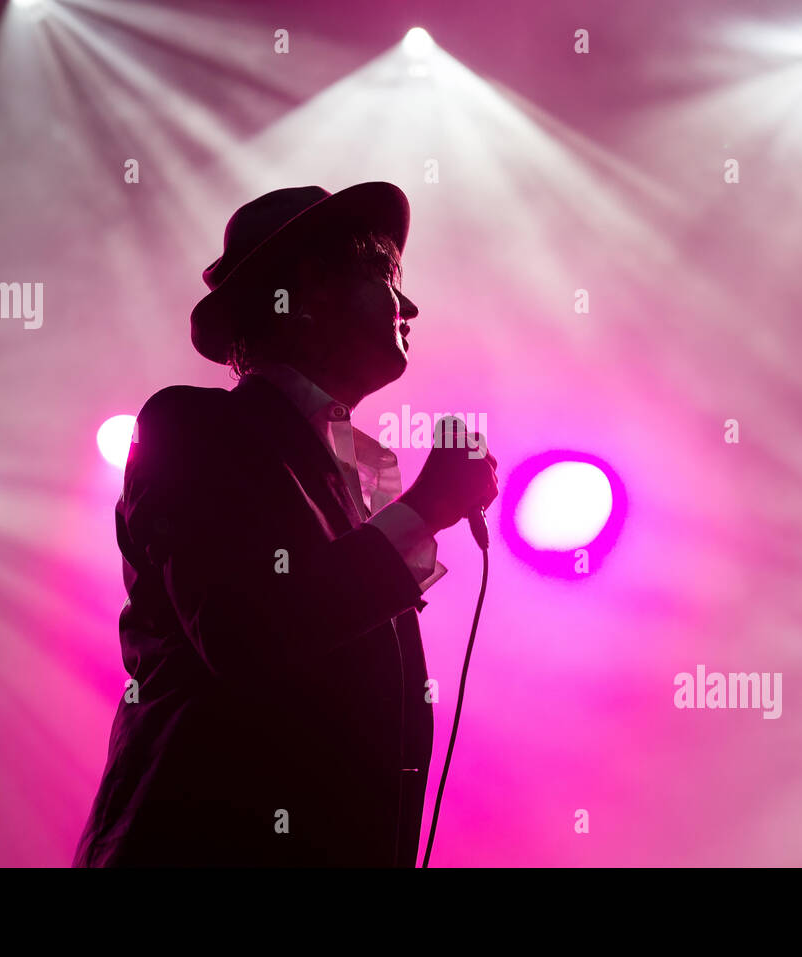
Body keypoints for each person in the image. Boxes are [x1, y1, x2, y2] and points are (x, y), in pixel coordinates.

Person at [73, 182, 498, 866]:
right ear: (308, 290)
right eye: (385, 275)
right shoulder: (193, 425)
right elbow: (245, 631)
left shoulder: (357, 474)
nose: (409, 305)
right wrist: (424, 510)